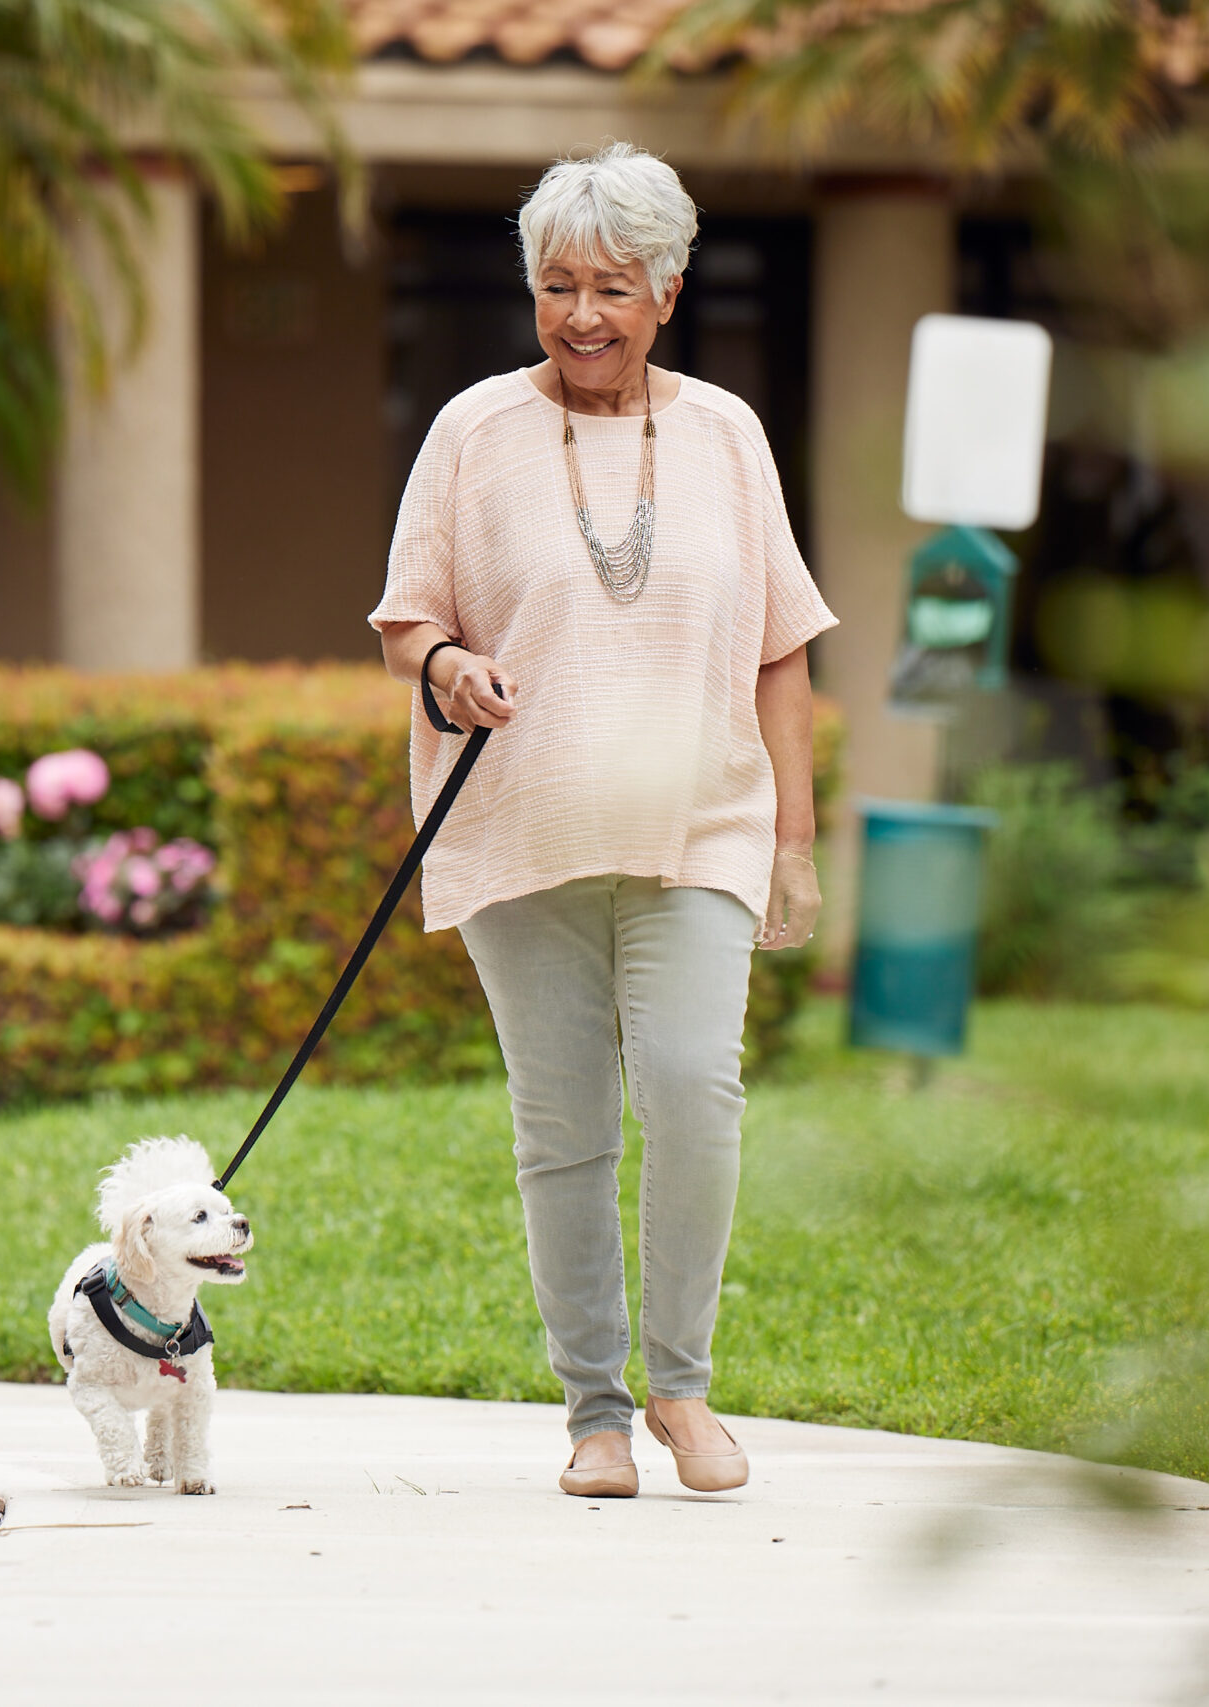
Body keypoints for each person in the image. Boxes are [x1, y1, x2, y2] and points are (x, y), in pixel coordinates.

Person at [370, 142, 834, 1498]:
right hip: (524, 831)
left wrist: (794, 841)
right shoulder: (472, 431)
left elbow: (783, 648)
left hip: (699, 826)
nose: (583, 314)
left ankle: (682, 1390)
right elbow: (411, 618)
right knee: (562, 1127)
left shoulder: (727, 435)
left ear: (668, 291)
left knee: (694, 1092)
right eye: (558, 284)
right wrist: (451, 669)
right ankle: (594, 1412)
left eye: (613, 287)